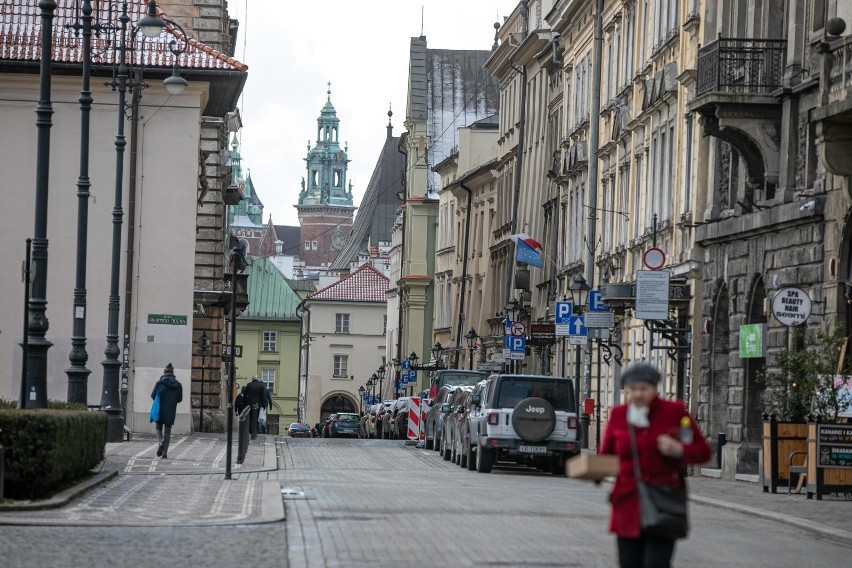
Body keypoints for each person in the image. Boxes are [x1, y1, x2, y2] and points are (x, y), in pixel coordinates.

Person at [600, 363, 711, 568]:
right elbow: (606, 455)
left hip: (664, 502)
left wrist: (679, 450)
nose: (638, 394)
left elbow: (703, 452)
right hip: (627, 503)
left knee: (656, 563)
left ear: (655, 389)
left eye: (644, 389)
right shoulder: (618, 415)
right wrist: (590, 471)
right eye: (633, 389)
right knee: (629, 563)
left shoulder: (675, 413)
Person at [151, 363, 183, 460]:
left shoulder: (160, 383)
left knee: (158, 428)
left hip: (160, 409)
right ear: (173, 372)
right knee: (168, 431)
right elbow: (179, 399)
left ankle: (161, 442)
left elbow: (153, 395)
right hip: (171, 410)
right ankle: (165, 453)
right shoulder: (178, 385)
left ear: (165, 372)